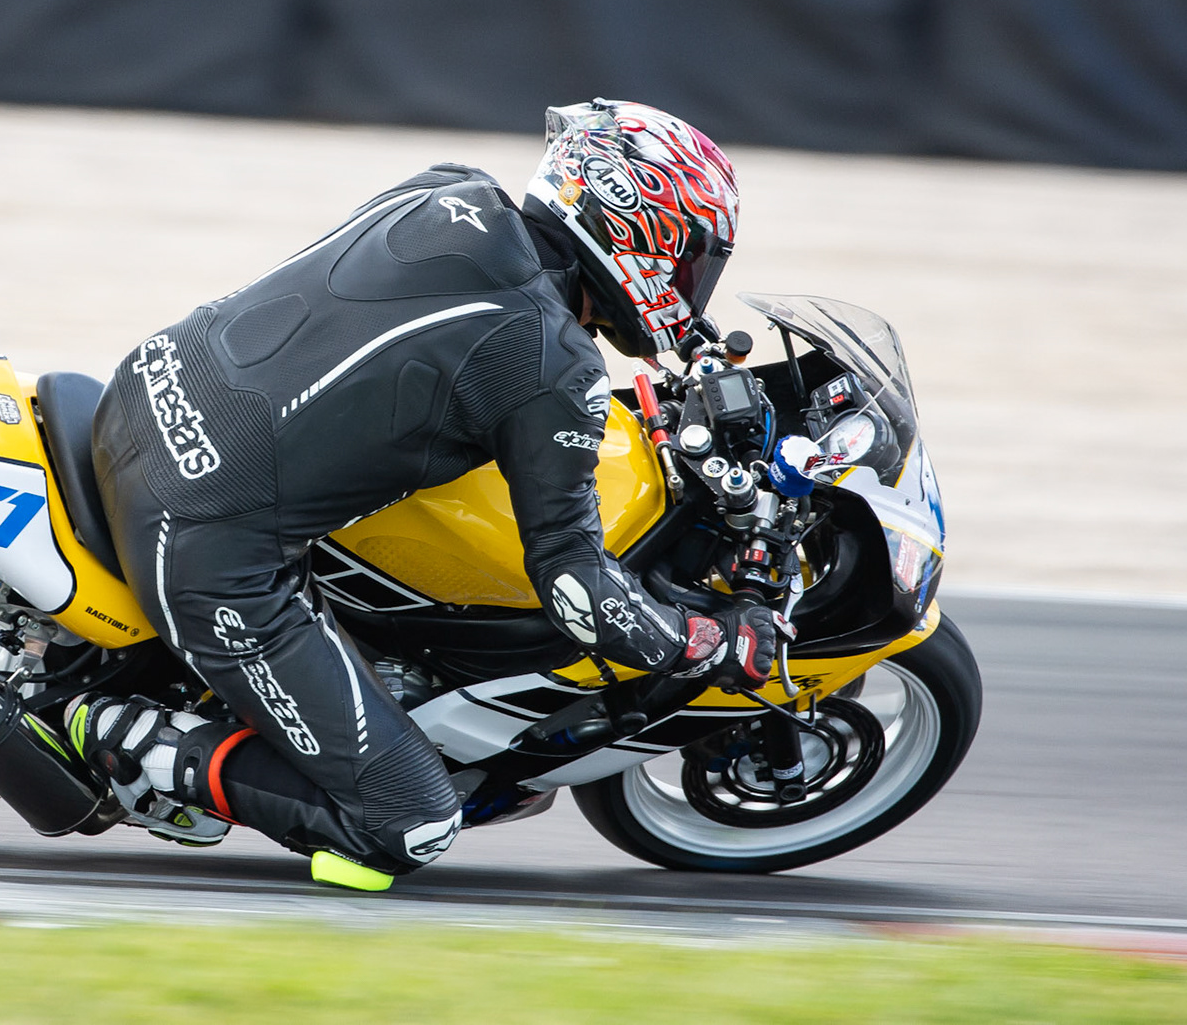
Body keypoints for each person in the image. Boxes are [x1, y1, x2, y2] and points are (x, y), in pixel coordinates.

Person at [68, 98, 774, 890]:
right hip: (201, 537)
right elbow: (577, 591)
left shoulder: (451, 188)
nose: (690, 287)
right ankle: (132, 739)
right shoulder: (554, 366)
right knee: (408, 826)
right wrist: (702, 644)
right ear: (639, 229)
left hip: (141, 390)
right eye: (690, 261)